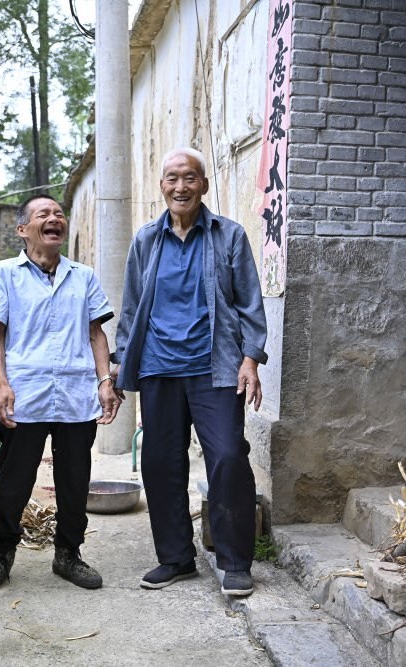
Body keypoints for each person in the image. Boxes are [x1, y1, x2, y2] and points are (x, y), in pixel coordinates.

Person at [112, 147, 267, 597]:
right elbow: (131, 306)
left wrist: (250, 359)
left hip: (215, 368)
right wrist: (120, 365)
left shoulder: (229, 236)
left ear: (204, 185)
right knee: (161, 463)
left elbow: (249, 302)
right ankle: (176, 558)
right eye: (172, 178)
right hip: (158, 367)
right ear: (162, 186)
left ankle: (234, 562)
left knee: (228, 457)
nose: (181, 187)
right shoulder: (146, 240)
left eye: (190, 178)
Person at [0, 194, 121, 594]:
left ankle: (68, 554)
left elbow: (96, 333)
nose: (54, 218)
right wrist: (2, 384)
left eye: (58, 214)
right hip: (24, 394)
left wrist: (104, 381)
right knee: (13, 484)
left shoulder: (83, 276)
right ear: (23, 229)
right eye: (44, 214)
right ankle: (0, 556)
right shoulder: (4, 274)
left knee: (75, 482)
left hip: (75, 395)